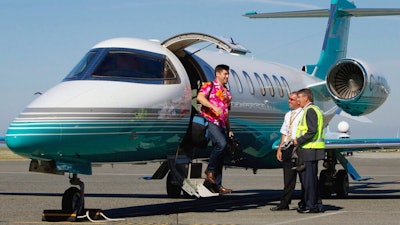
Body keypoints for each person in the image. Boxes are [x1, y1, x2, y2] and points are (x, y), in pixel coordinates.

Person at [196, 64, 233, 194]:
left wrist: (229, 129)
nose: (227, 76)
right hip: (210, 121)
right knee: (221, 144)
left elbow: (226, 113)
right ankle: (209, 170)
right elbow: (200, 98)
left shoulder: (227, 92)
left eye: (228, 74)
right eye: (225, 74)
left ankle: (217, 185)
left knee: (221, 155)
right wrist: (213, 107)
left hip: (221, 124)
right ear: (217, 74)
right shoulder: (209, 85)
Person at [293, 88, 325, 213]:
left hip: (309, 149)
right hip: (312, 150)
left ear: (306, 98)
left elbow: (312, 131)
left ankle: (310, 206)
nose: (298, 100)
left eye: (299, 97)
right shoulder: (314, 110)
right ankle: (316, 204)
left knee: (309, 181)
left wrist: (298, 140)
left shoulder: (310, 111)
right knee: (312, 179)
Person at [271, 91, 303, 211]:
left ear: (298, 101)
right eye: (289, 99)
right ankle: (284, 203)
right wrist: (280, 148)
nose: (289, 101)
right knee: (288, 177)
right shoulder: (288, 114)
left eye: (291, 99)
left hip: (299, 147)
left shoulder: (303, 113)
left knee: (303, 176)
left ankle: (305, 201)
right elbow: (284, 132)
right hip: (288, 148)